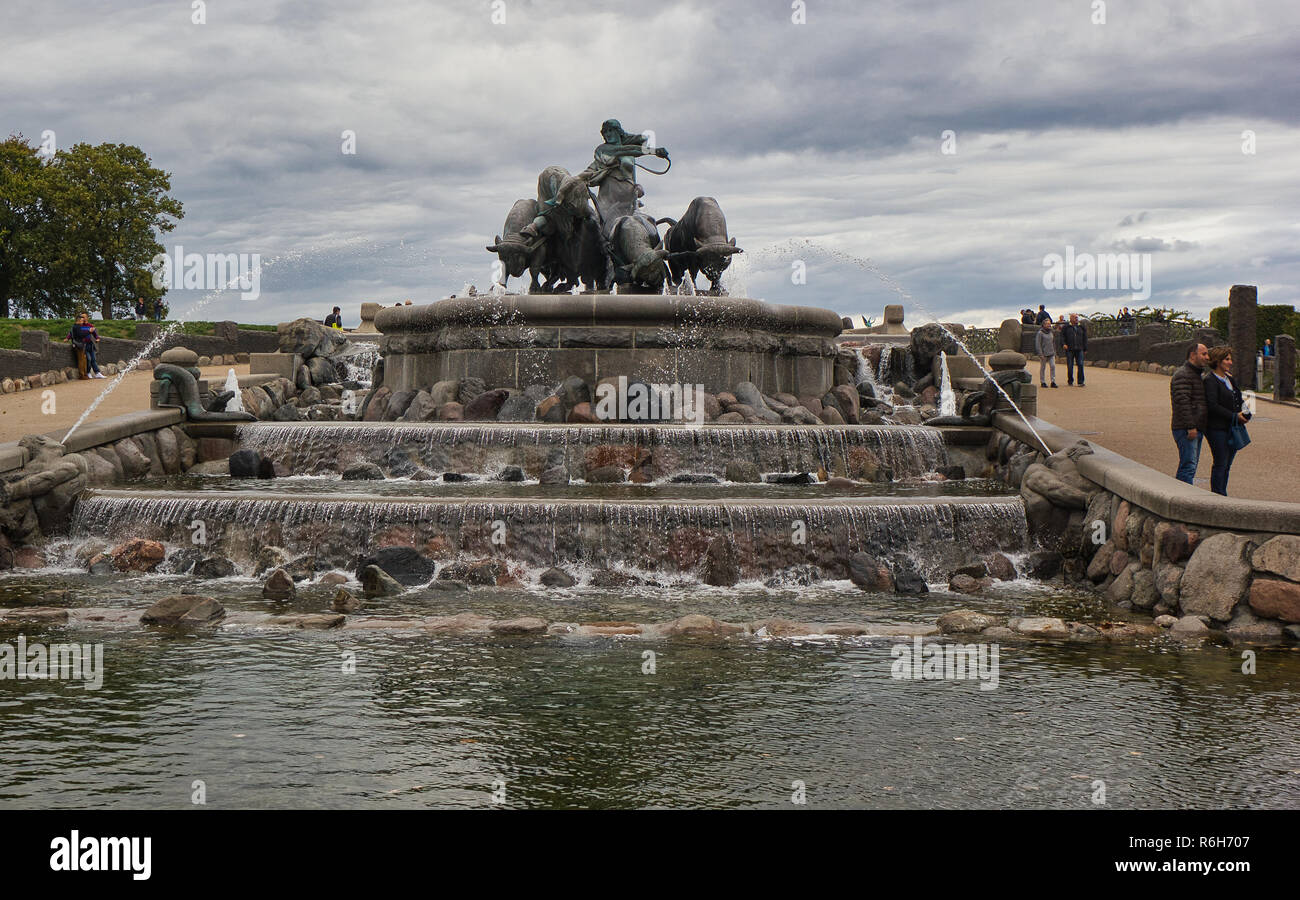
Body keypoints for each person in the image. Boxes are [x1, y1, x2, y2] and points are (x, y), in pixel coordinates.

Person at [1203, 346, 1249, 496]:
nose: (1230, 362)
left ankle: (1222, 492)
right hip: (1216, 428)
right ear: (1217, 361)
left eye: (1230, 359)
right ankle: (1218, 494)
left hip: (1232, 427)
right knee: (1221, 462)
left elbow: (1239, 399)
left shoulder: (1230, 379)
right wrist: (1235, 416)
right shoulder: (1210, 380)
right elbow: (1212, 405)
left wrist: (1246, 413)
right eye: (1227, 359)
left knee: (1227, 464)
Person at [1169, 343, 1209, 484]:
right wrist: (1190, 426)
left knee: (1190, 465)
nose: (1207, 357)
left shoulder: (1196, 375)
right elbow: (1182, 403)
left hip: (1195, 427)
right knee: (1188, 465)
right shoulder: (1183, 375)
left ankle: (1183, 494)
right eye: (1203, 354)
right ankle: (1183, 497)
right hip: (1186, 429)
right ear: (1193, 355)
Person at [68, 312, 105, 379]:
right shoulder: (79, 326)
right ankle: (88, 372)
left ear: (87, 317)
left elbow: (94, 333)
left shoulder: (90, 325)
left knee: (93, 359)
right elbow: (73, 333)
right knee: (88, 359)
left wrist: (97, 338)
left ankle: (97, 373)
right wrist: (68, 338)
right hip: (83, 345)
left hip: (90, 344)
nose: (83, 318)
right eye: (82, 317)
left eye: (84, 317)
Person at [1060, 313, 1087, 386]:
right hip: (1070, 349)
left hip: (1079, 348)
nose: (1076, 319)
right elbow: (1062, 337)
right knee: (1070, 365)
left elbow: (1085, 338)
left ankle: (1080, 381)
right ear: (1071, 318)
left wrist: (1085, 348)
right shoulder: (1066, 327)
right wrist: (1063, 344)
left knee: (1080, 364)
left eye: (1077, 318)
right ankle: (1070, 380)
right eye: (1075, 317)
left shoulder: (1081, 327)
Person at [1035, 319, 1058, 388]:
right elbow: (1038, 344)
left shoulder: (1051, 332)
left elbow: (1053, 343)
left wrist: (1055, 352)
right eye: (1047, 324)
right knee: (1043, 368)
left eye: (1049, 324)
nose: (1049, 325)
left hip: (1051, 353)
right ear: (1044, 325)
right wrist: (1040, 353)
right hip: (1043, 353)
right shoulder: (1040, 333)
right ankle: (1043, 382)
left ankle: (1053, 381)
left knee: (1053, 366)